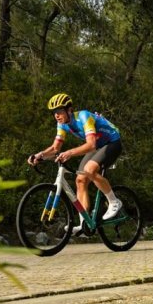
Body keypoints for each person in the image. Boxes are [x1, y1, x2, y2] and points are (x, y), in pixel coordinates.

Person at [28, 93, 123, 233]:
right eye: (54, 113)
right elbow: (55, 148)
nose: (56, 115)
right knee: (80, 180)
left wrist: (70, 153)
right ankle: (85, 223)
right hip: (98, 145)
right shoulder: (62, 124)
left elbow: (90, 144)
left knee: (90, 170)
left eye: (59, 112)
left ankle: (114, 201)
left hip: (112, 142)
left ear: (69, 110)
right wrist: (40, 155)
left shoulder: (83, 116)